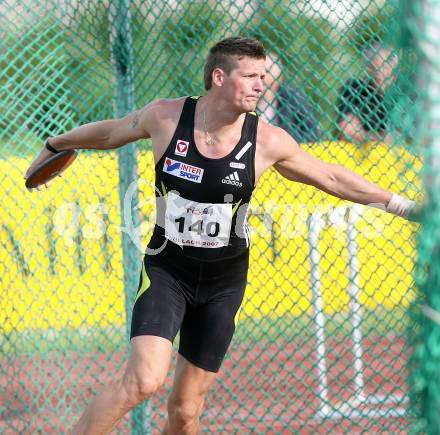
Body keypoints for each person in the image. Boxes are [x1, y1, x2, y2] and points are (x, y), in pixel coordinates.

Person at [25, 37, 417, 435]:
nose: (260, 85)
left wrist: (405, 206)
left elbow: (332, 177)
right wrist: (56, 144)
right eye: (250, 76)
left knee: (184, 411)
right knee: (143, 380)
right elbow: (109, 134)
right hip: (168, 272)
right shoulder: (165, 118)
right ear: (218, 77)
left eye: (262, 76)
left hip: (222, 285)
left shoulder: (267, 141)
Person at [336, 42, 398, 144]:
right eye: (374, 69)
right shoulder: (355, 89)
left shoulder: (405, 94)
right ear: (368, 68)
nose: (379, 74)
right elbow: (347, 130)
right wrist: (378, 139)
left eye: (385, 68)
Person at [257, 52, 321, 143]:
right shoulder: (250, 97)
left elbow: (311, 130)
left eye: (267, 72)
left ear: (279, 76)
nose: (262, 78)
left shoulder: (291, 96)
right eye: (257, 73)